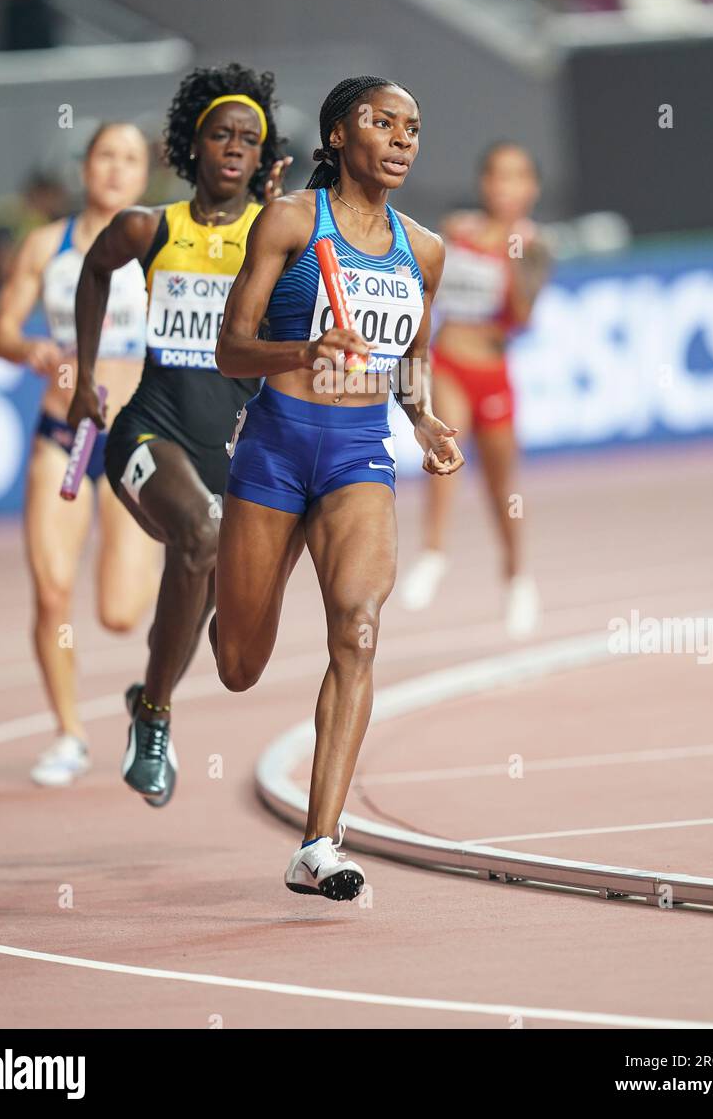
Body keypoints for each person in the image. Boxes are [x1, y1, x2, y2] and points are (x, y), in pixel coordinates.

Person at [210, 75, 464, 901]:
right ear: (337, 135)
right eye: (382, 122)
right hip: (275, 449)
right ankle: (224, 585)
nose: (401, 139)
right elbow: (230, 349)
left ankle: (318, 843)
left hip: (358, 456)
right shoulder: (290, 221)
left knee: (357, 628)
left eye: (412, 127)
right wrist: (302, 351)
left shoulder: (423, 249)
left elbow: (412, 356)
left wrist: (422, 418)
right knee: (239, 664)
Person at [67, 65, 291, 807]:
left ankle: (148, 697)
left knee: (208, 595)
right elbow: (94, 270)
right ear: (193, 145)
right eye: (222, 134)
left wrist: (279, 219)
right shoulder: (150, 228)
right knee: (201, 534)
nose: (235, 147)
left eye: (250, 139)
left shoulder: (275, 237)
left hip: (234, 455)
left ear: (263, 156)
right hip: (147, 432)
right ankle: (157, 719)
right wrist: (84, 377)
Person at [0, 124, 159, 786]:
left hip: (132, 439)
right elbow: (4, 329)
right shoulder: (46, 244)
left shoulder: (162, 241)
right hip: (62, 437)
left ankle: (174, 566)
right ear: (85, 167)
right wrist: (29, 347)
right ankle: (68, 732)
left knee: (119, 614)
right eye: (105, 156)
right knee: (51, 590)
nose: (116, 169)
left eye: (130, 159)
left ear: (144, 174)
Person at [400, 142, 551, 636]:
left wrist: (512, 253)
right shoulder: (456, 230)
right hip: (448, 360)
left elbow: (522, 317)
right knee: (445, 441)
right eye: (498, 176)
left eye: (517, 177)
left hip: (493, 371)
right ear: (485, 183)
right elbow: (424, 285)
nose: (506, 187)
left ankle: (517, 576)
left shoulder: (535, 245)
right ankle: (434, 551)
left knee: (500, 486)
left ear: (531, 189)